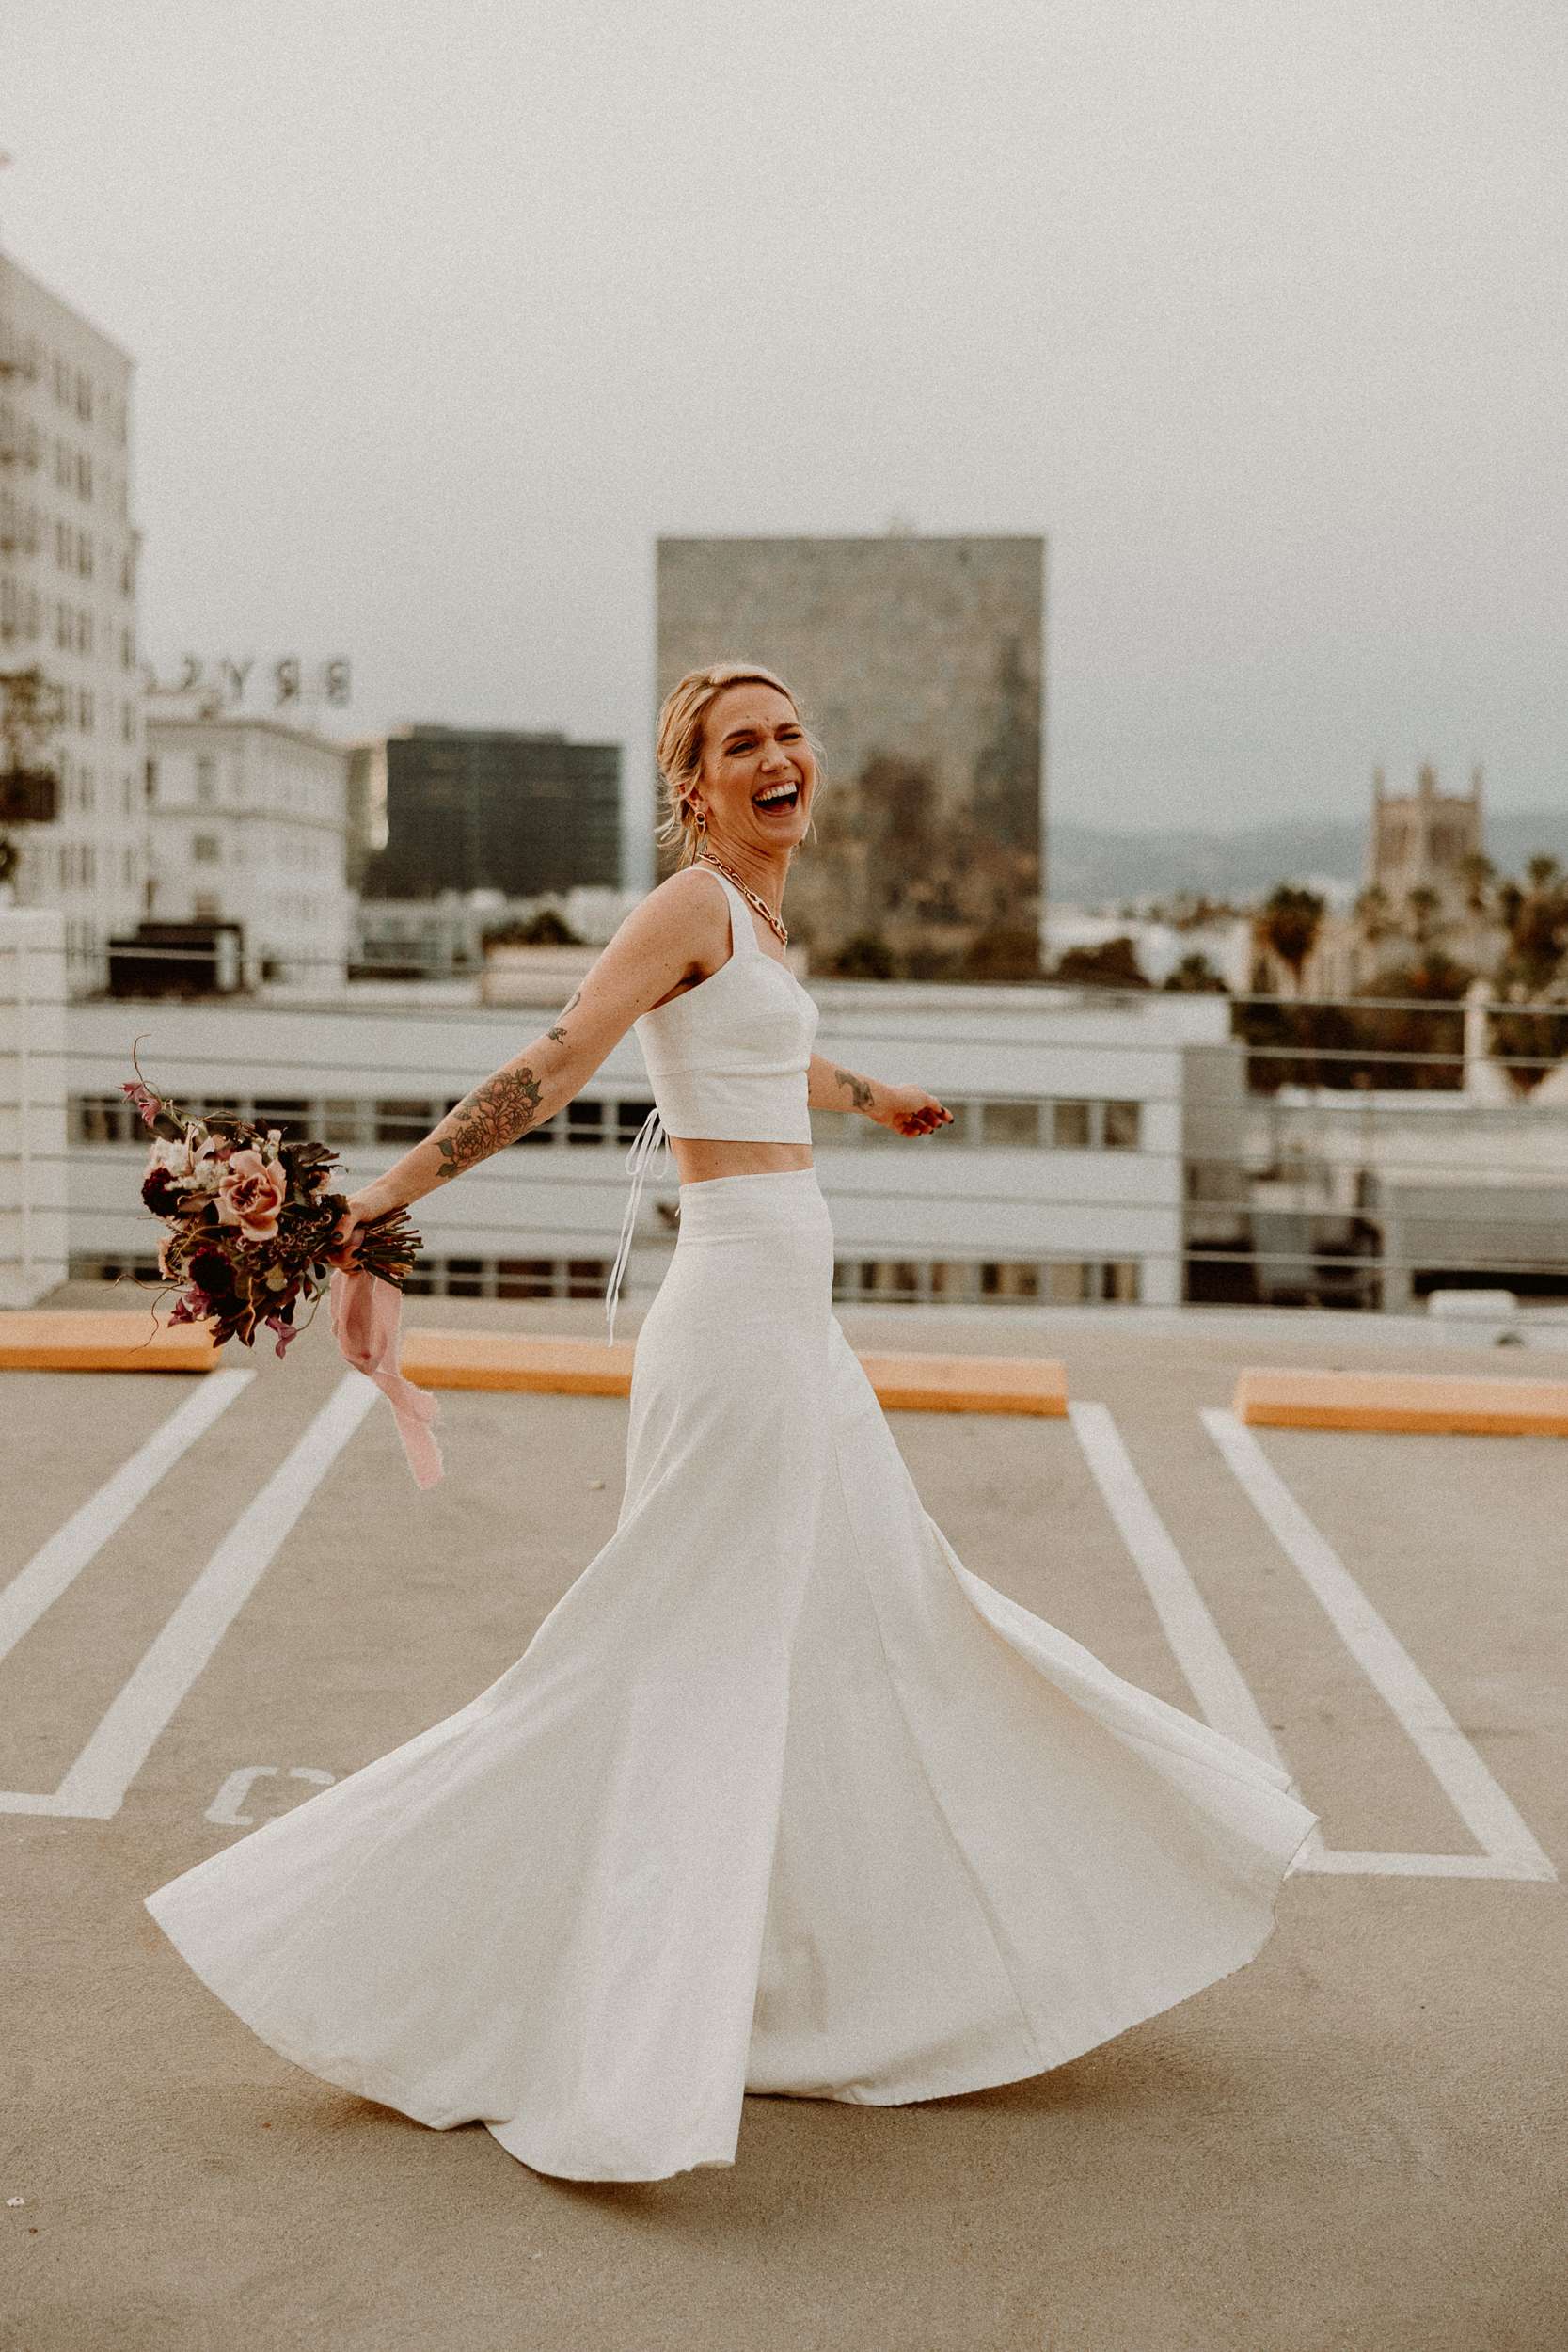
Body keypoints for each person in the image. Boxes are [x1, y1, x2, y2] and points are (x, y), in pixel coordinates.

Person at [144, 661, 1319, 2185]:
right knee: (668, 1652)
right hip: (739, 1328)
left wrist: (871, 1091)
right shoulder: (691, 904)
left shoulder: (755, 922)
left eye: (789, 733)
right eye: (740, 742)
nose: (777, 755)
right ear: (692, 787)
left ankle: (798, 1969)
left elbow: (760, 1054)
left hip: (789, 1327)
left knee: (885, 1616)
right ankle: (394, 1943)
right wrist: (372, 1202)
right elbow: (556, 1060)